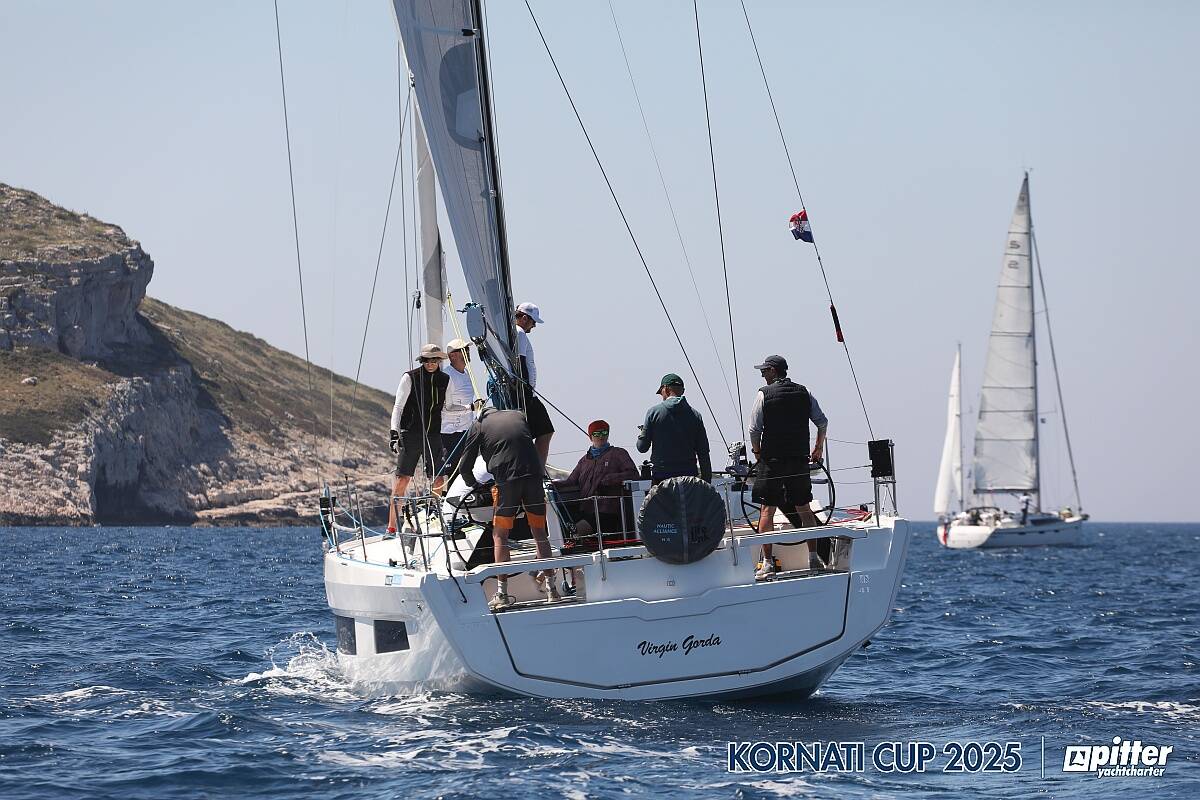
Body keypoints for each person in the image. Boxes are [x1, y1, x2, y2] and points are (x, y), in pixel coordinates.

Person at [457, 407, 558, 610]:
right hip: (534, 478)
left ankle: (502, 594)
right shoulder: (518, 415)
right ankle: (552, 591)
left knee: (500, 535)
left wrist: (474, 485)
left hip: (507, 482)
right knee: (539, 533)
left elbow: (464, 466)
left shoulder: (479, 424)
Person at [747, 354, 829, 580]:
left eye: (764, 371)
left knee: (767, 510)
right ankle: (814, 558)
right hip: (798, 459)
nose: (762, 375)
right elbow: (822, 422)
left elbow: (754, 429)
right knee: (804, 508)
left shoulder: (763, 394)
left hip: (772, 461)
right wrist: (818, 448)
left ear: (773, 371)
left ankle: (767, 563)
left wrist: (757, 453)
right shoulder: (804, 392)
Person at [387, 344, 449, 533]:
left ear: (439, 360)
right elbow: (398, 407)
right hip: (411, 434)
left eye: (434, 360)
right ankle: (391, 527)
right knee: (402, 480)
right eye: (426, 360)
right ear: (422, 361)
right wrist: (394, 432)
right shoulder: (410, 377)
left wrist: (470, 409)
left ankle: (434, 517)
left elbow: (448, 407)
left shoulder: (444, 379)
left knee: (438, 479)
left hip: (433, 435)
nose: (430, 364)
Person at [555, 420, 639, 536]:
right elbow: (571, 481)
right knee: (566, 529)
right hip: (586, 509)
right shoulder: (584, 461)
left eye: (604, 432)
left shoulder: (618, 453)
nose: (601, 436)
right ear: (590, 437)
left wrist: (610, 479)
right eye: (596, 434)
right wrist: (553, 484)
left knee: (576, 531)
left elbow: (633, 474)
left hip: (608, 510)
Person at [636, 373, 712, 484]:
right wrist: (706, 481)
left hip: (662, 478)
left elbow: (642, 448)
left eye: (661, 393)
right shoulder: (696, 416)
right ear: (683, 391)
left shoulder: (653, 413)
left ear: (666, 389)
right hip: (689, 478)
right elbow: (703, 452)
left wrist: (643, 432)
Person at [437, 338, 481, 495]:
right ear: (452, 356)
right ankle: (446, 501)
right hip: (449, 433)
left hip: (466, 431)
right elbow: (445, 407)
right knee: (450, 471)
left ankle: (465, 498)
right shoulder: (447, 376)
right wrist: (471, 408)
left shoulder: (467, 373)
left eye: (467, 349)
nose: (467, 352)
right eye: (463, 350)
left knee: (468, 468)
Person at [514, 302, 554, 468]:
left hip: (523, 392)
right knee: (546, 430)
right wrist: (526, 391)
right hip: (525, 394)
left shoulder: (515, 332)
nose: (534, 326)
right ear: (524, 318)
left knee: (532, 433)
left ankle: (534, 470)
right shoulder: (520, 333)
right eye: (533, 322)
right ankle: (538, 471)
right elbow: (520, 362)